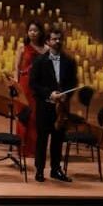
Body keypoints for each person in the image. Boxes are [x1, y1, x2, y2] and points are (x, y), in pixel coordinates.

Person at [29, 28, 78, 183]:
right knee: (42, 140)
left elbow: (73, 83)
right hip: (45, 106)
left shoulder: (69, 62)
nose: (57, 42)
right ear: (48, 42)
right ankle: (39, 170)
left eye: (59, 39)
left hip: (61, 108)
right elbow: (33, 84)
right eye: (54, 39)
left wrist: (65, 95)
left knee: (58, 140)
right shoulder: (39, 61)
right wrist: (50, 94)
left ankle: (56, 170)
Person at [13, 19, 47, 159]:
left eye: (35, 30)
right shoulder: (22, 47)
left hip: (38, 86)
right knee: (23, 115)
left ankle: (34, 149)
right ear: (27, 32)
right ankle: (21, 148)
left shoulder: (46, 49)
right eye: (30, 30)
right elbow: (16, 67)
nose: (32, 33)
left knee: (35, 116)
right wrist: (16, 84)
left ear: (40, 32)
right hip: (24, 85)